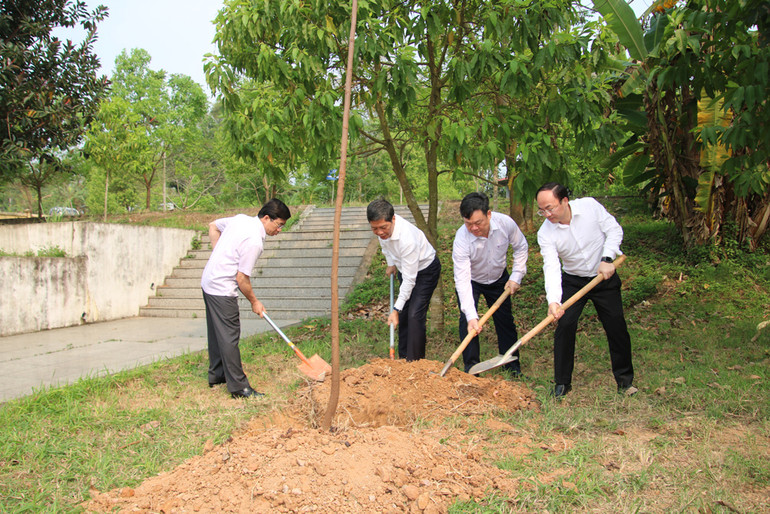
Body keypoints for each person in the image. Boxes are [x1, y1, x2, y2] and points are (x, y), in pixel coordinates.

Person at [535, 183, 636, 398]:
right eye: (541, 210)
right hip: (573, 281)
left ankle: (625, 382)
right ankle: (562, 383)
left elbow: (614, 230)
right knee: (565, 325)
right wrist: (553, 301)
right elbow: (551, 267)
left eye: (550, 208)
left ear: (564, 201)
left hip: (603, 276)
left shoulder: (590, 207)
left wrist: (607, 258)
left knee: (616, 326)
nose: (546, 214)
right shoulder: (545, 233)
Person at [200, 198, 291, 399]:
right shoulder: (254, 241)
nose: (279, 230)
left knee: (217, 333)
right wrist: (255, 302)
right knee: (229, 337)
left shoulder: (241, 219)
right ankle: (239, 388)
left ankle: (217, 375)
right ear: (266, 218)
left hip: (208, 281)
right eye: (279, 225)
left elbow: (213, 225)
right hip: (221, 288)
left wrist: (218, 255)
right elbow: (242, 278)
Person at [452, 192, 528, 375]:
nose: (474, 228)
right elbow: (462, 279)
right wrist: (472, 316)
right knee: (467, 321)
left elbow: (521, 247)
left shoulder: (505, 224)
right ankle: (471, 368)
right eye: (468, 224)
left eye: (478, 223)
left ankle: (512, 365)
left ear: (489, 214)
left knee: (505, 322)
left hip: (499, 279)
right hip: (472, 281)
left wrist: (516, 276)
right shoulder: (461, 239)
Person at [367, 199, 441, 361]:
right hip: (405, 268)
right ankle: (402, 359)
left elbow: (409, 280)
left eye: (383, 228)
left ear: (393, 219)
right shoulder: (382, 230)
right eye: (374, 228)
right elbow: (386, 246)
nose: (379, 232)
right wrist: (391, 263)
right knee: (405, 313)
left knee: (414, 314)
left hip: (425, 270)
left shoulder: (407, 239)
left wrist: (395, 310)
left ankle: (415, 362)